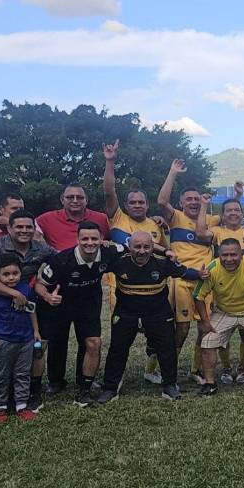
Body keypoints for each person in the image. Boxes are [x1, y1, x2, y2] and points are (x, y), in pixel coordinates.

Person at [0, 209, 54, 421]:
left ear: (34, 229)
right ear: (9, 228)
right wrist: (15, 293)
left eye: (28, 227)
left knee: (17, 358)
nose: (24, 230)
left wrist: (101, 246)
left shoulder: (40, 248)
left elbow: (62, 257)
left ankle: (14, 401)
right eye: (19, 227)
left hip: (18, 315)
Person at [97, 232, 205, 404]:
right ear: (129, 247)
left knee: (167, 348)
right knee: (117, 348)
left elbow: (184, 272)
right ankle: (110, 387)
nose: (142, 251)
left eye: (146, 247)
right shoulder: (119, 262)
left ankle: (169, 385)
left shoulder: (162, 264)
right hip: (126, 312)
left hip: (157, 312)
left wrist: (200, 274)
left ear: (152, 248)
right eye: (137, 247)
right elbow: (95, 266)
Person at [35, 221, 124, 407]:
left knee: (94, 343)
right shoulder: (61, 260)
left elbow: (136, 245)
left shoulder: (109, 252)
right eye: (85, 238)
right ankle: (35, 391)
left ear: (101, 239)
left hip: (87, 303)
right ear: (77, 239)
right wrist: (47, 297)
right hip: (57, 304)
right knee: (41, 346)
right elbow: (39, 284)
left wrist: (166, 252)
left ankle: (84, 390)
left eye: (94, 238)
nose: (89, 242)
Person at [102, 139, 168, 385]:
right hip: (123, 289)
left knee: (156, 335)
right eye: (133, 202)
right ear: (126, 205)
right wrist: (110, 161)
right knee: (122, 338)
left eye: (141, 202)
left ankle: (152, 370)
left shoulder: (154, 225)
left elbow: (163, 256)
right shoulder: (116, 217)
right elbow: (109, 191)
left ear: (147, 205)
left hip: (152, 290)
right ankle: (115, 379)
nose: (137, 205)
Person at [36, 184, 110, 393]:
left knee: (89, 340)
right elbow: (22, 224)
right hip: (60, 291)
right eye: (70, 197)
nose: (75, 200)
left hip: (88, 295)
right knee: (57, 339)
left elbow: (126, 239)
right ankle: (55, 381)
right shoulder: (47, 220)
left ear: (86, 199)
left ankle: (84, 380)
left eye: (80, 197)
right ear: (62, 199)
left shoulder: (101, 219)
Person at [157, 159, 222, 384]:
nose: (194, 202)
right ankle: (168, 372)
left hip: (206, 282)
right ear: (181, 203)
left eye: (197, 199)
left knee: (205, 328)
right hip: (182, 279)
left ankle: (196, 370)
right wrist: (173, 172)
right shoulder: (175, 217)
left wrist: (239, 195)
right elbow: (162, 200)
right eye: (189, 199)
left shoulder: (211, 219)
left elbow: (233, 217)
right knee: (181, 329)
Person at [192, 238, 244, 396]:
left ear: (241, 255)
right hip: (224, 311)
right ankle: (210, 384)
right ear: (219, 255)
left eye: (233, 255)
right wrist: (205, 322)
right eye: (225, 255)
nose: (229, 259)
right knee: (207, 341)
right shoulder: (213, 268)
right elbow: (198, 296)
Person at [196, 194, 244, 385]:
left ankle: (242, 367)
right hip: (223, 292)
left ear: (242, 214)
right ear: (222, 215)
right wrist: (203, 205)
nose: (233, 213)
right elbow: (200, 231)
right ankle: (225, 367)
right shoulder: (217, 231)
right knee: (221, 335)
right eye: (229, 210)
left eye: (237, 210)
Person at [0, 254, 41, 423]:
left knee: (23, 373)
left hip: (25, 340)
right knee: (1, 375)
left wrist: (36, 331)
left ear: (20, 273)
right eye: (6, 274)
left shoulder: (26, 290)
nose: (11, 277)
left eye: (15, 273)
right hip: (3, 341)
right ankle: (0, 408)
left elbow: (31, 310)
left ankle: (21, 406)